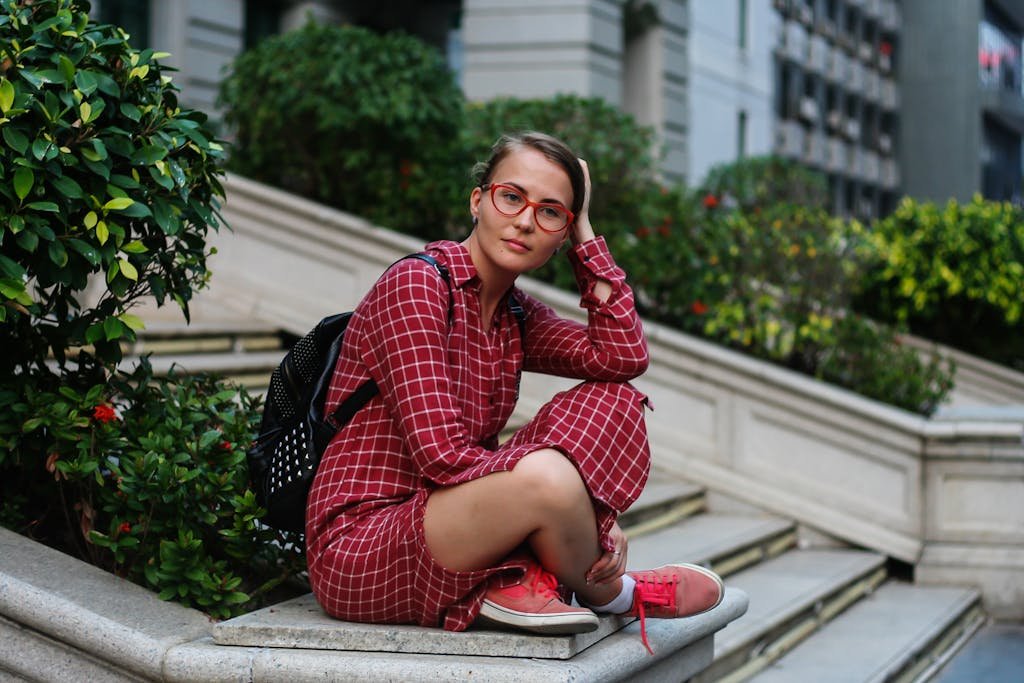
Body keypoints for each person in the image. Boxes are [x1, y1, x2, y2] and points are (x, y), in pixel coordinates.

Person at [305, 131, 723, 652]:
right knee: (547, 476)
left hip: (455, 514)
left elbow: (621, 357)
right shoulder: (416, 287)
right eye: (511, 197)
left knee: (612, 399)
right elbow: (442, 458)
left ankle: (522, 576)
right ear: (478, 200)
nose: (526, 220)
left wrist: (588, 235)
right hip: (364, 545)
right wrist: (575, 512)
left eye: (552, 213)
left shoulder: (514, 314)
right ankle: (618, 593)